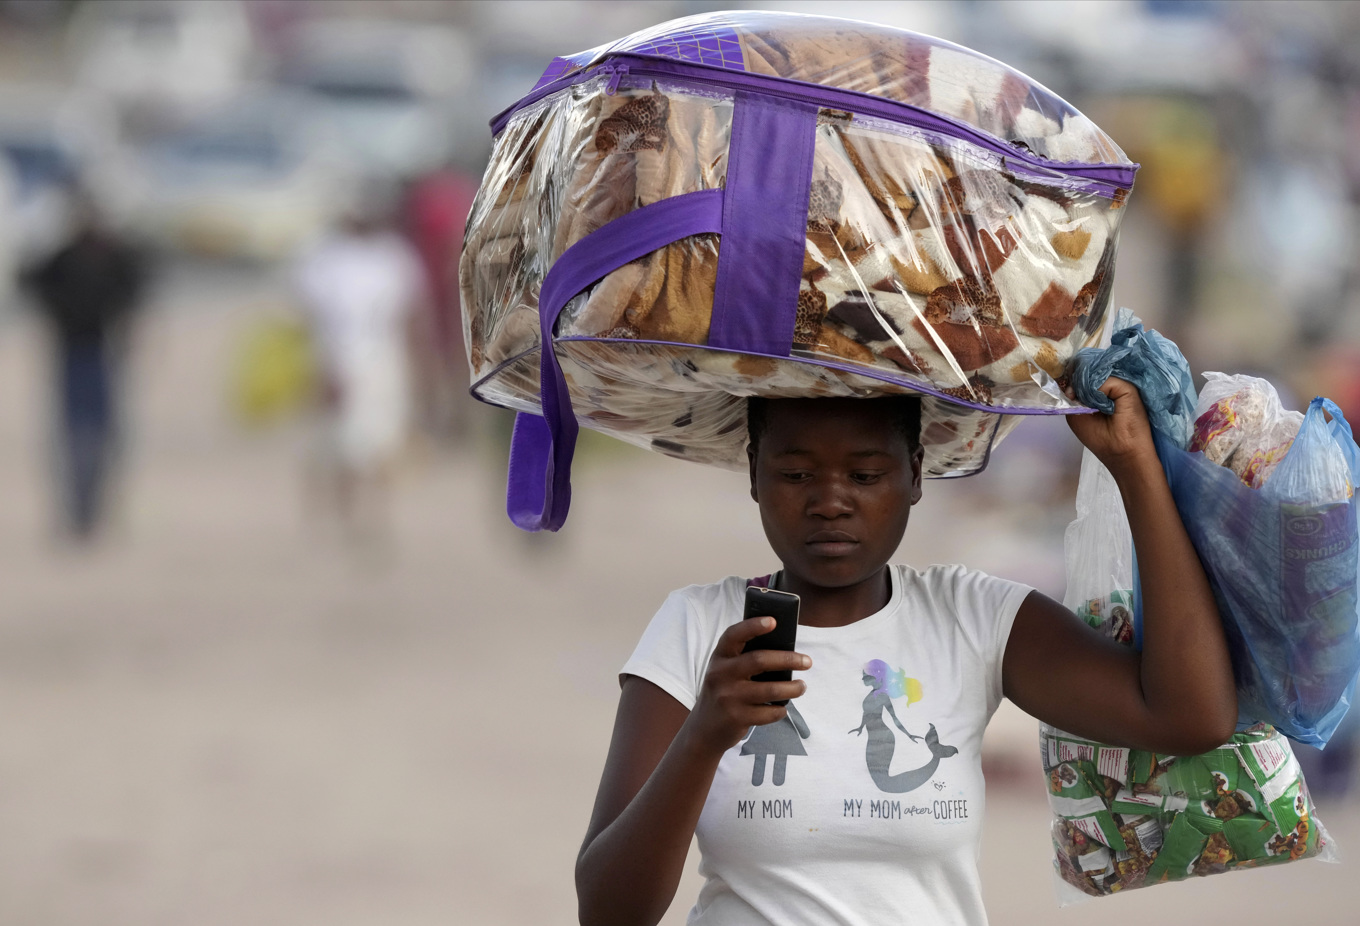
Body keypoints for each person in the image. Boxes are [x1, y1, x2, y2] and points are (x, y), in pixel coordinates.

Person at [575, 381, 1236, 926]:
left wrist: (1136, 468)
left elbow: (1190, 715)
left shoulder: (970, 618)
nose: (830, 501)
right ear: (754, 474)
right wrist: (703, 737)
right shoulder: (698, 626)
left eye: (865, 474)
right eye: (796, 473)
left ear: (916, 474)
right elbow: (608, 911)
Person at [294, 194, 427, 545]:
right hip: (338, 361)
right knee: (340, 448)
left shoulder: (393, 258)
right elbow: (311, 319)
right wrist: (321, 370)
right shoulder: (325, 258)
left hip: (383, 363)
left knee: (381, 447)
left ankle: (377, 519)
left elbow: (410, 319)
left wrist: (421, 373)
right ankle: (346, 520)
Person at [23, 194, 148, 540]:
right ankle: (78, 511)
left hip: (102, 352)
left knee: (105, 438)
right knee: (73, 438)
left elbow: (135, 290)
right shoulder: (62, 258)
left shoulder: (115, 256)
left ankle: (96, 509)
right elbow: (31, 282)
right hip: (71, 353)